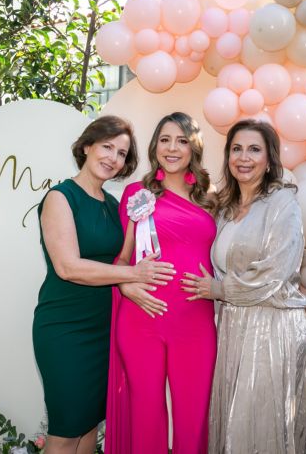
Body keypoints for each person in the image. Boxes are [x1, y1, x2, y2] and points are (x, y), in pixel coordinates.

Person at [32, 115, 176, 454]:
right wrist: (133, 275)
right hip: (65, 328)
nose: (113, 158)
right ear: (87, 146)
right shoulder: (60, 197)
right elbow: (68, 267)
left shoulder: (114, 205)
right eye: (107, 147)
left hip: (105, 328)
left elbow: (123, 258)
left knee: (88, 430)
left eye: (122, 153)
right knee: (67, 430)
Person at [182, 119, 306, 454]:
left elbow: (276, 271)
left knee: (262, 420)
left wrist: (219, 290)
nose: (244, 157)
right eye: (236, 149)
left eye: (255, 149)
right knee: (233, 422)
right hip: (232, 326)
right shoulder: (225, 207)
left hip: (272, 326)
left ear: (270, 159)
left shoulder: (283, 203)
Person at [105, 112, 218, 454]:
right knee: (146, 416)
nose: (172, 148)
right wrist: (126, 286)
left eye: (182, 141)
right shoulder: (137, 193)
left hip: (195, 322)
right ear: (155, 146)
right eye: (165, 140)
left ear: (193, 148)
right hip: (142, 319)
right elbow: (123, 259)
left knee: (194, 419)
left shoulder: (210, 198)